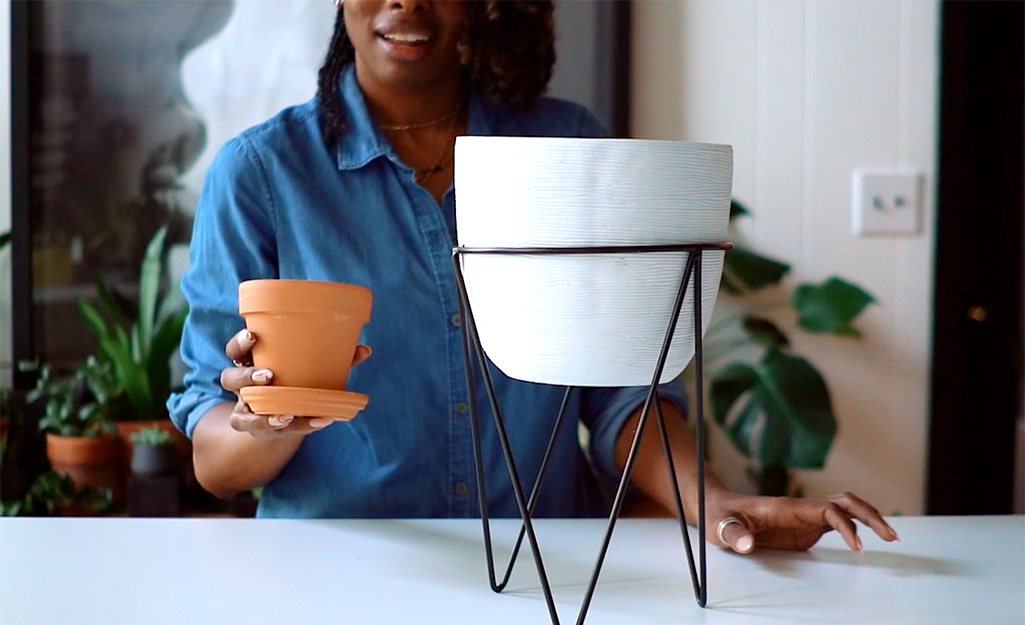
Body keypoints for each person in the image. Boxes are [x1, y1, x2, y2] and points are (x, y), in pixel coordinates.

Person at [169, 0, 899, 555]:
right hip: (337, 569)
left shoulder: (567, 145)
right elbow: (216, 461)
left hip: (546, 567)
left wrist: (715, 504)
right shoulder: (261, 174)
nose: (408, 2)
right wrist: (263, 423)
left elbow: (623, 394)